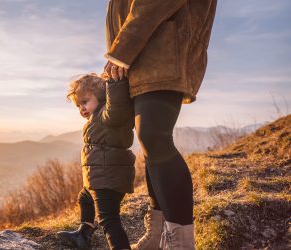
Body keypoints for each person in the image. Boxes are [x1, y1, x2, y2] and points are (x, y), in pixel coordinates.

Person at [102, 0, 218, 249]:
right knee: (150, 144)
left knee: (154, 137)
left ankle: (182, 243)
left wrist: (121, 50)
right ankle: (157, 234)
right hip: (145, 53)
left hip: (162, 47)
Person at [57, 73, 135, 250]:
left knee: (109, 220)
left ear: (101, 97)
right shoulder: (97, 118)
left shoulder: (108, 115)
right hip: (102, 177)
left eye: (85, 102)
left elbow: (115, 105)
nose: (81, 108)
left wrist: (114, 83)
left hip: (108, 178)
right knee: (85, 198)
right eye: (78, 105)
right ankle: (84, 234)